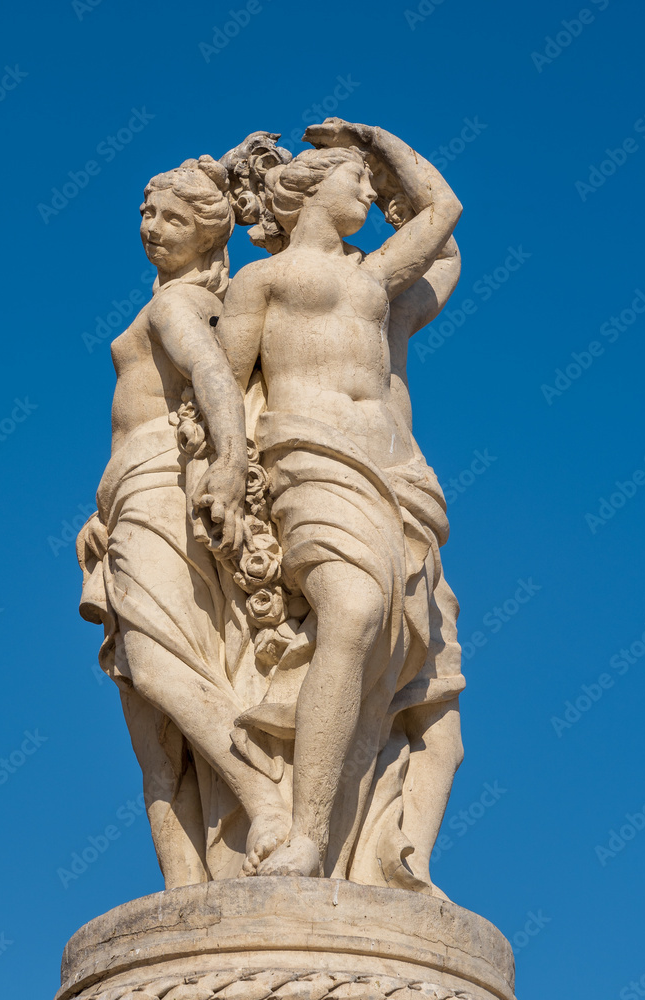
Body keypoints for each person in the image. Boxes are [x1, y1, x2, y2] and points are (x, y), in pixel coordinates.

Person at [214, 120, 463, 878]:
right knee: (350, 615)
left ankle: (348, 847)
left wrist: (380, 144)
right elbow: (223, 382)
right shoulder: (262, 280)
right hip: (307, 455)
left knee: (387, 651)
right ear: (308, 189)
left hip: (394, 476)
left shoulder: (377, 281)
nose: (369, 189)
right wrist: (225, 466)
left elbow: (444, 214)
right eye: (354, 178)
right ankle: (305, 835)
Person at [77, 155, 287, 886]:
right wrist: (97, 512)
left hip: (161, 484)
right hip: (125, 498)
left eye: (170, 217)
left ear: (207, 233)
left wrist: (230, 462)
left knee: (160, 671)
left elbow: (212, 379)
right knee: (144, 709)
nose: (150, 227)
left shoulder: (176, 307)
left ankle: (264, 798)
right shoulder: (168, 299)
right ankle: (182, 882)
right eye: (145, 214)